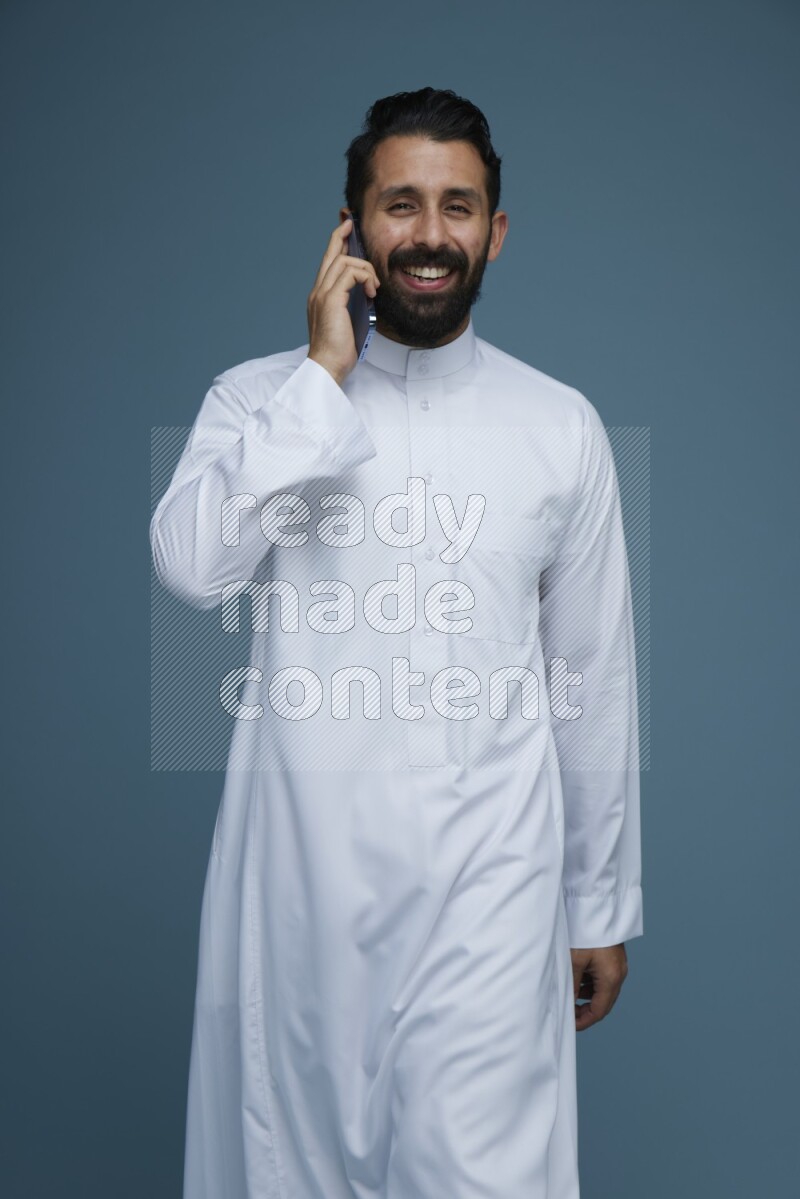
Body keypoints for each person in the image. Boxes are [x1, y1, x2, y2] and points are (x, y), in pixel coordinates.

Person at [150, 86, 643, 1199]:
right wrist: (321, 379)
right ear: (349, 229)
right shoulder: (260, 400)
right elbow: (191, 565)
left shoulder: (557, 423)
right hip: (301, 883)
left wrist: (597, 898)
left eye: (456, 206)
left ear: (494, 232)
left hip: (493, 883)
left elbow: (590, 677)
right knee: (298, 1169)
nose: (428, 234)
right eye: (399, 205)